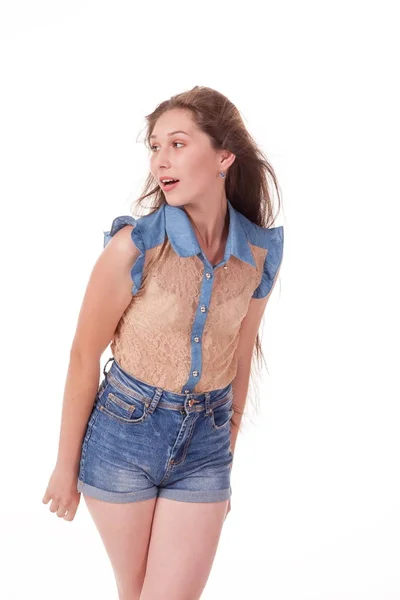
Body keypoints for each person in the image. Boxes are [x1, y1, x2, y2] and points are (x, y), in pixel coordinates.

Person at [42, 85, 284, 600]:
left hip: (206, 444)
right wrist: (65, 468)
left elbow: (240, 360)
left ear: (223, 157)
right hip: (123, 435)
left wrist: (227, 457)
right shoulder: (135, 246)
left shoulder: (259, 254)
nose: (160, 160)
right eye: (154, 147)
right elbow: (84, 355)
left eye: (176, 143)